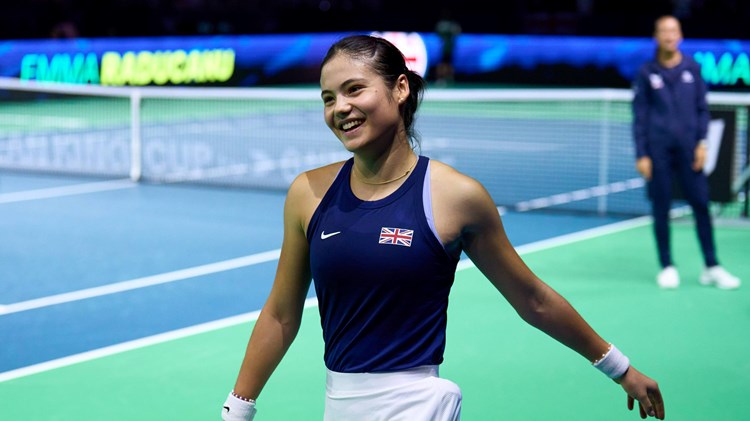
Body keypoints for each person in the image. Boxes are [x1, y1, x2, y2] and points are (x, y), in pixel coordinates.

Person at [222, 34, 665, 421]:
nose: (341, 108)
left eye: (354, 89)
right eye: (328, 97)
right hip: (340, 404)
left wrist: (619, 368)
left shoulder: (456, 197)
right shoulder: (308, 193)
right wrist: (237, 410)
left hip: (417, 404)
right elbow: (281, 314)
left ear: (399, 88)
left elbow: (533, 299)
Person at [632, 15, 741, 290]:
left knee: (701, 206)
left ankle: (711, 266)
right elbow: (639, 117)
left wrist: (702, 143)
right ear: (657, 36)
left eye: (674, 31)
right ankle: (667, 266)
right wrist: (642, 153)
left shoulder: (693, 68)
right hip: (658, 154)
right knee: (661, 208)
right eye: (664, 31)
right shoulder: (647, 72)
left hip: (690, 152)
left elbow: (702, 109)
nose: (669, 36)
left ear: (680, 36)